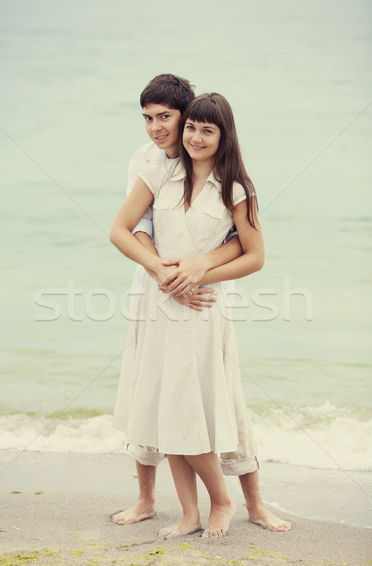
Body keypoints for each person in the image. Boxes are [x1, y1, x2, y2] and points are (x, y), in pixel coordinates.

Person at [111, 75, 291, 533]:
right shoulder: (155, 169)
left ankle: (231, 502)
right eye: (189, 127)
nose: (188, 135)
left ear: (222, 134)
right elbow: (124, 229)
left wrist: (199, 271)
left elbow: (253, 254)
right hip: (158, 300)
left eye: (203, 129)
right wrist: (166, 274)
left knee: (211, 405)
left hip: (203, 308)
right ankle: (184, 510)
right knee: (163, 404)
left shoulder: (235, 187)